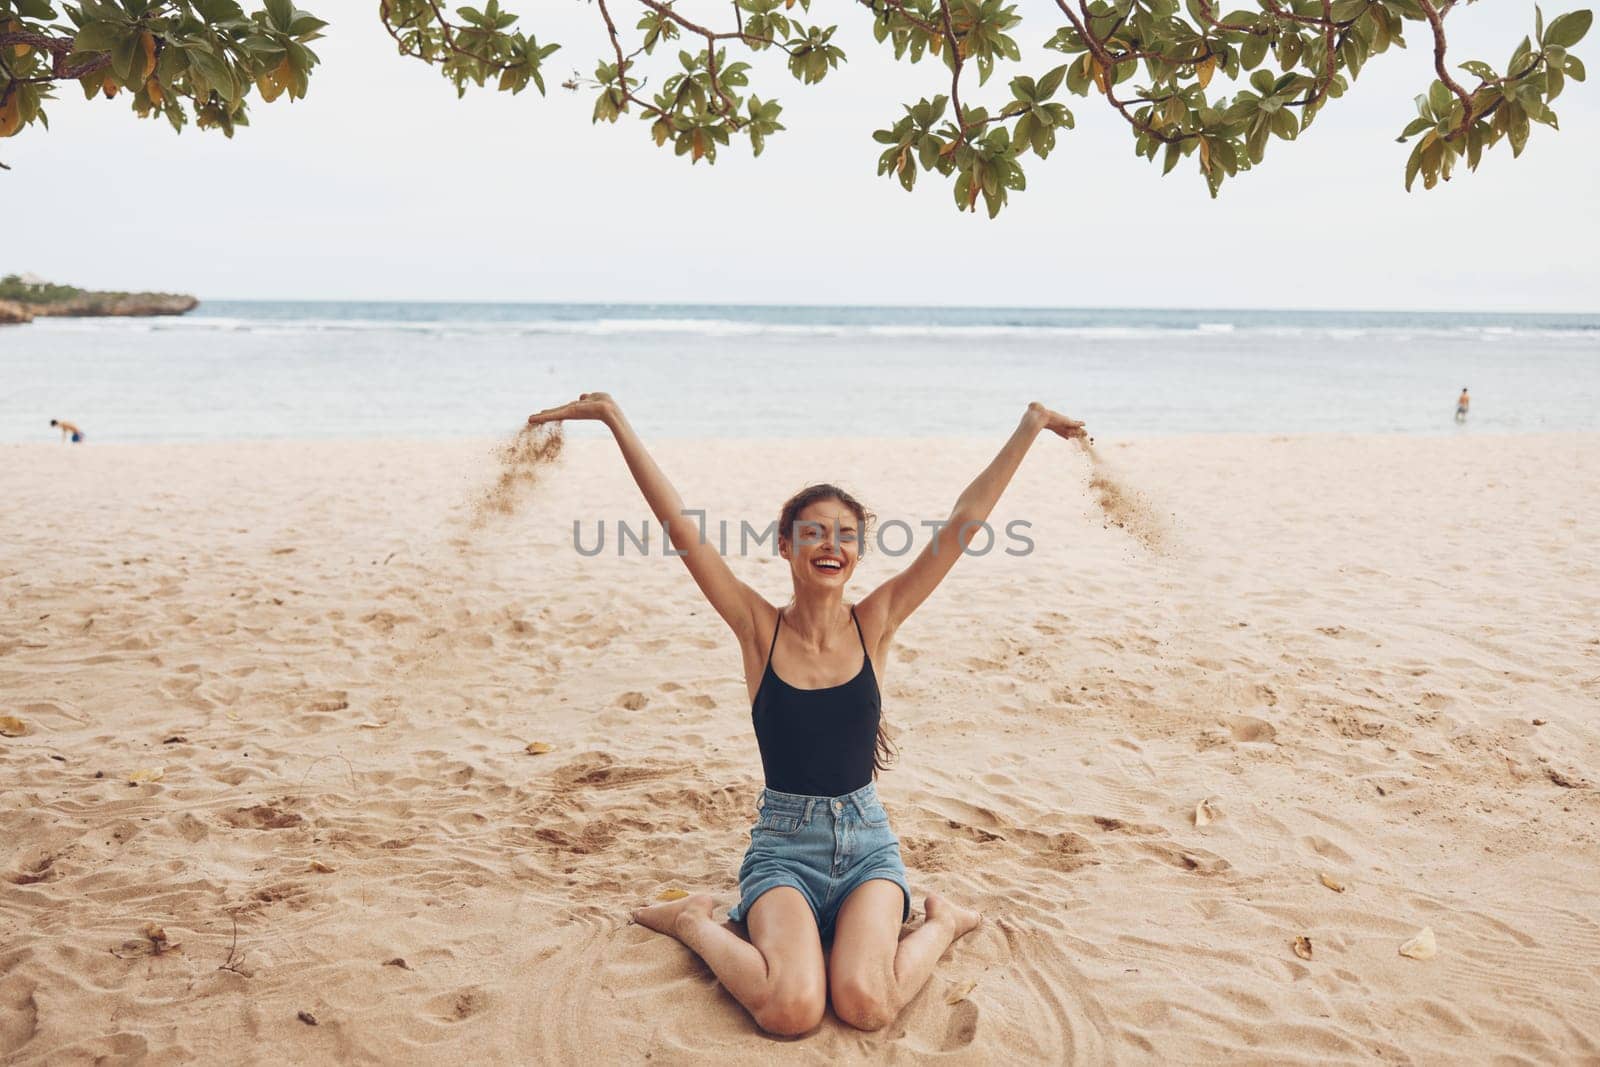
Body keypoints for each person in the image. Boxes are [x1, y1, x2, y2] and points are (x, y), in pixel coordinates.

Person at [525, 392, 1088, 1036]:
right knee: (790, 1012)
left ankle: (944, 922)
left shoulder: (877, 621)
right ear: (786, 546)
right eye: (814, 532)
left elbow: (964, 522)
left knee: (865, 1005)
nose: (831, 544)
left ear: (856, 553)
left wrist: (1031, 425)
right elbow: (681, 527)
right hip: (784, 851)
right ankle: (692, 921)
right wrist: (615, 420)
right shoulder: (756, 629)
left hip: (868, 846)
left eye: (846, 535)